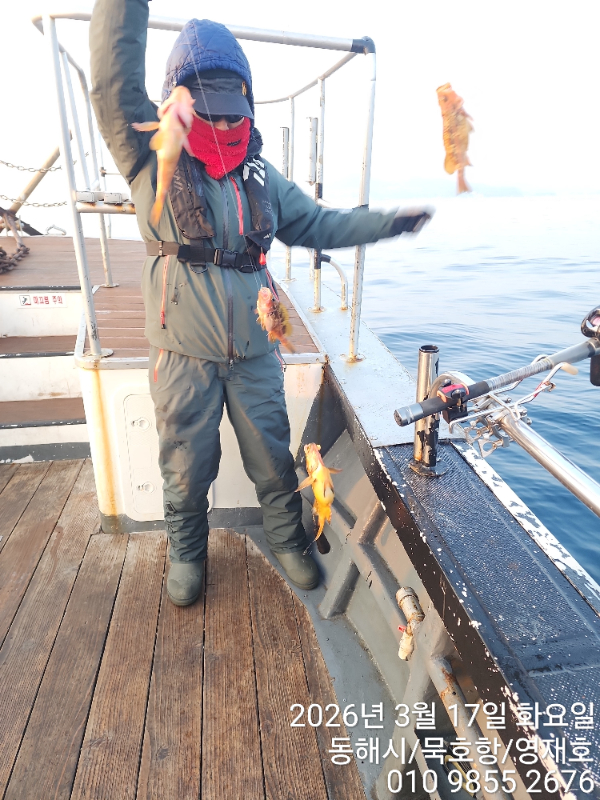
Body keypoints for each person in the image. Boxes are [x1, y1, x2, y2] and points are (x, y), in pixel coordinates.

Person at [90, 0, 432, 607]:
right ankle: (187, 554)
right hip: (182, 356)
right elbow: (113, 86)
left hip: (253, 355)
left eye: (233, 111)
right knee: (184, 467)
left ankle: (288, 540)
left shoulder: (261, 176)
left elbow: (320, 224)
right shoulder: (149, 155)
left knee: (274, 460)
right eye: (210, 111)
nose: (223, 124)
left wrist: (388, 224)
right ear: (179, 103)